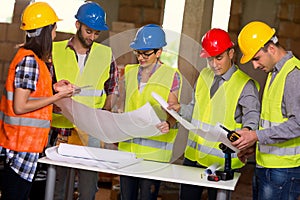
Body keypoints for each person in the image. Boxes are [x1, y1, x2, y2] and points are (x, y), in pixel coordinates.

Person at [167, 28, 260, 200]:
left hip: (222, 161)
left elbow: (252, 118)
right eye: (210, 58)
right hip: (193, 157)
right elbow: (196, 110)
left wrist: (246, 134)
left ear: (231, 53)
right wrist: (180, 109)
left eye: (219, 58)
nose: (214, 64)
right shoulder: (204, 75)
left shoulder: (245, 85)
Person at [0, 2, 75, 200]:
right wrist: (57, 96)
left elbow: (31, 95)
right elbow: (20, 105)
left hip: (25, 144)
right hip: (20, 146)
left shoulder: (35, 60)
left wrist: (53, 89)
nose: (55, 33)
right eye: (54, 28)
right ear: (46, 31)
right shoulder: (30, 61)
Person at [50, 1, 119, 200]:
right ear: (78, 24)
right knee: (59, 187)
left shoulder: (105, 54)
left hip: (91, 131)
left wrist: (106, 112)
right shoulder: (55, 51)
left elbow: (112, 87)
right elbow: (46, 88)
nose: (92, 37)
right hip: (62, 129)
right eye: (89, 31)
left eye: (97, 33)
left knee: (88, 189)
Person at [233, 21, 300, 200]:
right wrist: (254, 146)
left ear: (271, 48)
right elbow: (273, 121)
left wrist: (255, 136)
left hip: (283, 171)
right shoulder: (274, 73)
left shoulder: (293, 75)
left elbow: (298, 124)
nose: (255, 66)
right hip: (267, 165)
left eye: (256, 58)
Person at [117, 24, 182, 200]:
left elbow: (174, 111)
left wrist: (169, 122)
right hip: (128, 150)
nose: (141, 57)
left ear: (159, 52)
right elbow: (122, 106)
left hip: (155, 153)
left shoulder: (171, 75)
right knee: (126, 197)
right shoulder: (130, 72)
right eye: (138, 52)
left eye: (146, 53)